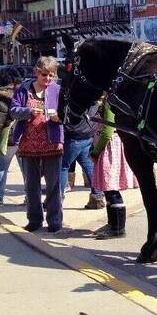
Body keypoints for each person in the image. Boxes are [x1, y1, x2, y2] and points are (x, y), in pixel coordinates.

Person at [10, 56, 64, 233]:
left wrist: (59, 117)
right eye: (44, 75)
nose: (47, 79)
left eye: (51, 75)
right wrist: (28, 111)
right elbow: (13, 111)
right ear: (36, 72)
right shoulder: (24, 89)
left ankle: (54, 220)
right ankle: (34, 219)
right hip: (28, 144)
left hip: (52, 143)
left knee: (53, 185)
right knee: (31, 186)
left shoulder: (57, 90)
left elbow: (67, 112)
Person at [91, 99, 138, 239]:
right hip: (107, 146)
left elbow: (108, 131)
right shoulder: (106, 103)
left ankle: (118, 227)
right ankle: (112, 223)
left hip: (109, 147)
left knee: (112, 188)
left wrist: (96, 151)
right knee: (107, 189)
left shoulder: (110, 105)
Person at [61, 98, 103, 209]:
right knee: (88, 166)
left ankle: (56, 199)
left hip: (73, 137)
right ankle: (97, 197)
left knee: (63, 167)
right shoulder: (94, 102)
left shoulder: (77, 101)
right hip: (87, 135)